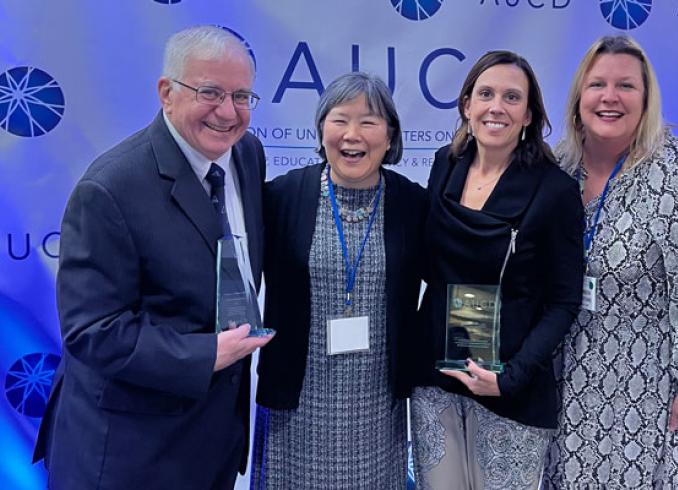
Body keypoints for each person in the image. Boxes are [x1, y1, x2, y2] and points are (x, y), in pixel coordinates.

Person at [32, 25, 273, 489]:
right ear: (167, 92)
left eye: (242, 96)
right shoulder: (110, 188)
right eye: (210, 92)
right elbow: (92, 331)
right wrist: (205, 354)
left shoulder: (247, 153)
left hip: (212, 443)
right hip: (127, 452)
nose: (228, 112)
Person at [541, 35, 678, 489]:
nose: (609, 97)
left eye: (625, 86)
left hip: (650, 382)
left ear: (646, 98)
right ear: (578, 97)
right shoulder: (559, 166)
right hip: (564, 377)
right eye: (597, 85)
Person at [410, 51, 583, 489]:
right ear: (466, 105)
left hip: (510, 387)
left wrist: (512, 376)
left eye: (511, 97)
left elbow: (563, 301)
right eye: (485, 94)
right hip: (437, 379)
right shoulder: (443, 165)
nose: (496, 107)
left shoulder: (555, 190)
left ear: (529, 114)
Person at [251, 72, 427, 489]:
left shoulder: (413, 204)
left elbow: (448, 284)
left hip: (376, 406)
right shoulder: (281, 198)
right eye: (339, 119)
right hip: (297, 403)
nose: (353, 134)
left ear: (390, 136)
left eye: (368, 121)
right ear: (321, 129)